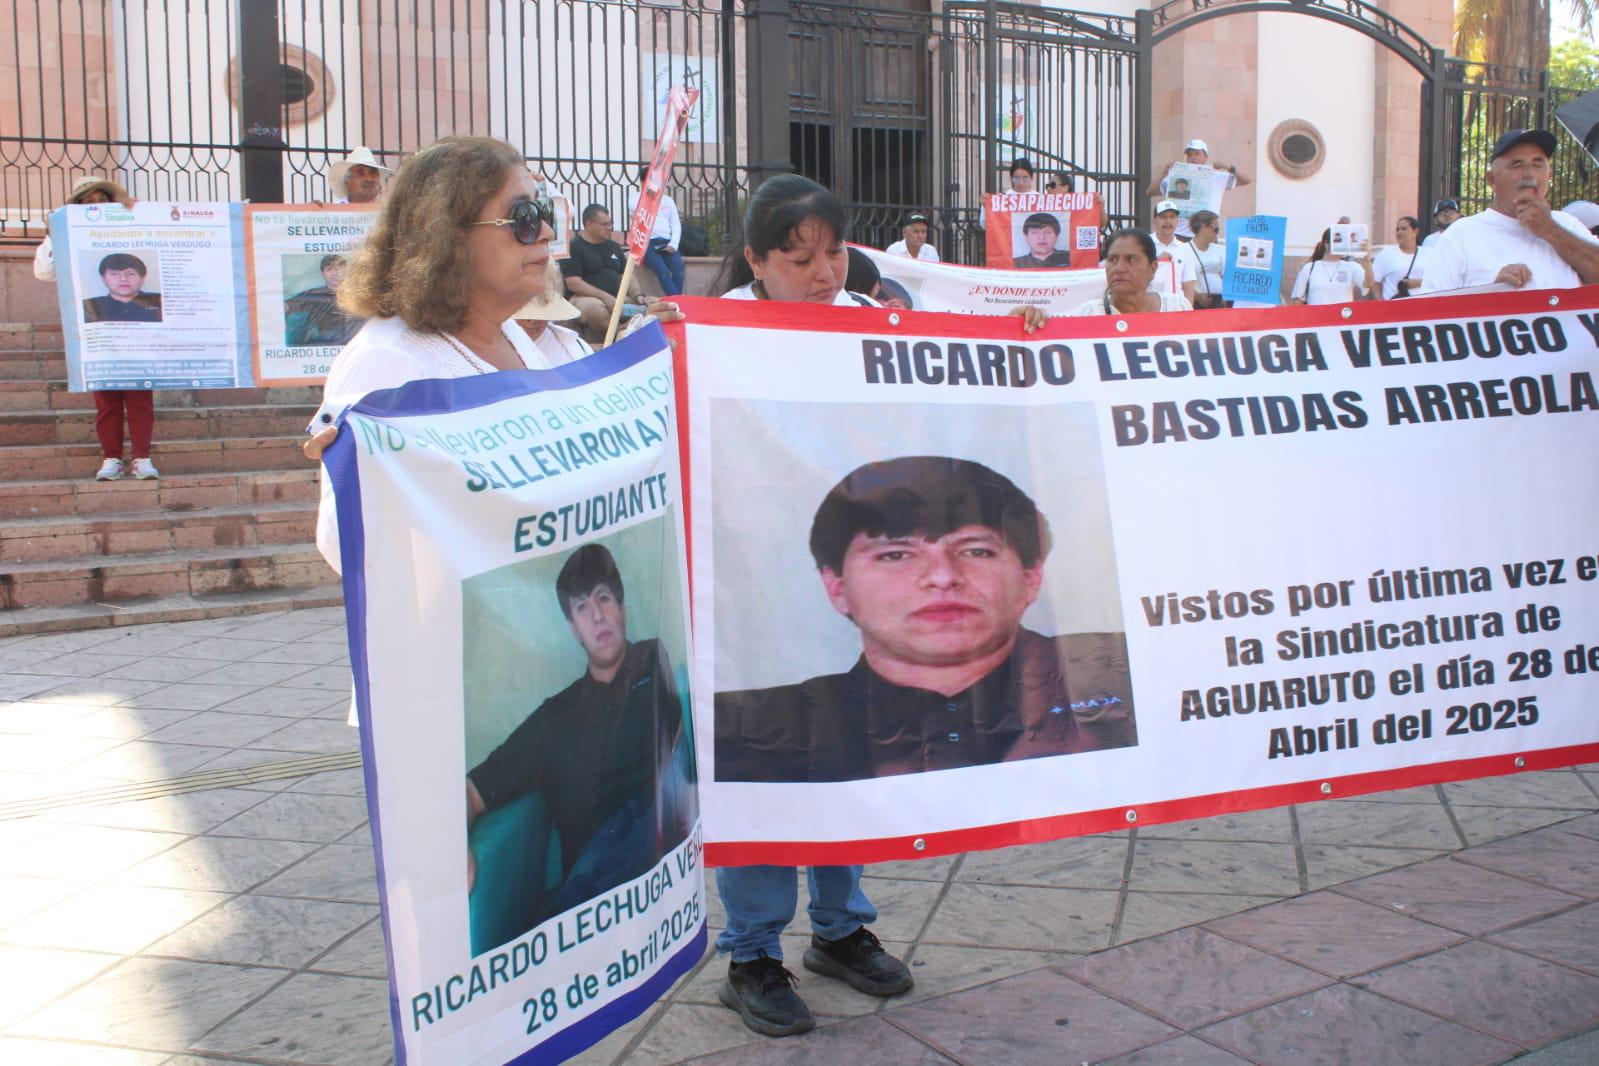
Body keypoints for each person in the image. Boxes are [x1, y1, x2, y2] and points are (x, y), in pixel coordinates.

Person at [716, 456, 1136, 783]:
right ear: (837, 587)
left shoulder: (1126, 674)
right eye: (895, 555)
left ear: (1031, 578)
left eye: (976, 551)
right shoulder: (755, 732)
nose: (942, 577)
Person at [466, 544, 690, 922]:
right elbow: (471, 793)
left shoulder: (654, 660)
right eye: (582, 607)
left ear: (622, 608)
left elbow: (680, 748)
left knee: (660, 801)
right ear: (574, 629)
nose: (597, 615)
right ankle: (563, 913)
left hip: (658, 842)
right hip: (600, 876)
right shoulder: (555, 718)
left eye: (604, 598)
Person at [34, 177, 159, 482]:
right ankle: (112, 458)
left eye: (101, 200)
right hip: (98, 331)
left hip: (138, 332)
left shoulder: (130, 225)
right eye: (87, 203)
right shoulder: (70, 234)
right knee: (107, 400)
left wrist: (138, 216)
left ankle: (142, 458)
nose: (96, 207)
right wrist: (55, 234)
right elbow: (44, 272)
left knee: (140, 396)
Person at [1425, 129, 1599, 292]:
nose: (1529, 175)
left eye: (1537, 164)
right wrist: (1491, 293)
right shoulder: (1460, 235)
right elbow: (1430, 314)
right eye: (1517, 165)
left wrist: (1550, 230)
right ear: (1492, 179)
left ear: (1550, 175)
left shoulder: (1568, 225)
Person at [562, 204, 650, 337]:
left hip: (618, 299)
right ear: (589, 224)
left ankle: (631, 328)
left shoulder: (613, 246)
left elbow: (626, 275)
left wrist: (638, 295)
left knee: (654, 304)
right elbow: (574, 283)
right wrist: (605, 297)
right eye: (605, 224)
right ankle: (622, 333)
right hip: (586, 299)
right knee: (595, 310)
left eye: (611, 223)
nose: (610, 228)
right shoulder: (574, 247)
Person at [1146, 138, 1251, 238]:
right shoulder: (1176, 175)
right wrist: (1164, 172)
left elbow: (1246, 180)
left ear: (1205, 157)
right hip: (1179, 233)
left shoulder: (1217, 176)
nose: (1193, 157)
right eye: (1189, 154)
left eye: (1197, 153)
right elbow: (1151, 191)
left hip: (1206, 234)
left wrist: (1227, 167)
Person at [1073, 228, 1192, 315]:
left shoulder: (1178, 307)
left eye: (1131, 260)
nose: (1119, 268)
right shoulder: (1088, 314)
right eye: (1113, 259)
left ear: (1152, 268)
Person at [515, 259, 596, 366]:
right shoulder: (487, 359)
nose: (532, 321)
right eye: (520, 308)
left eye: (542, 311)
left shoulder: (575, 349)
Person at [627, 165, 686, 295]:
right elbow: (636, 211)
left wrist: (673, 244)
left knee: (678, 268)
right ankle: (678, 301)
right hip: (646, 242)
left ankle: (677, 300)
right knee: (662, 270)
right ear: (643, 182)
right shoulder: (635, 198)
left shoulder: (668, 201)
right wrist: (649, 195)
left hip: (666, 242)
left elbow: (676, 224)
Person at [284, 254, 362, 346]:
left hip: (352, 347)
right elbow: (286, 305)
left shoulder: (359, 296)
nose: (335, 273)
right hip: (322, 348)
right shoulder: (313, 295)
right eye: (329, 269)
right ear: (322, 273)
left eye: (339, 269)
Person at [1290, 227, 1373, 304]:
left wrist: (1368, 261)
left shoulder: (1352, 267)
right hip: (1316, 318)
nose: (1342, 244)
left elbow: (1368, 284)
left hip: (1342, 318)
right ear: (1326, 243)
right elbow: (1297, 299)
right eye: (1338, 241)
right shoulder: (1309, 268)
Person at [82, 253, 162, 323]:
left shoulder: (161, 302)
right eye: (114, 274)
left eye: (131, 273)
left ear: (142, 279)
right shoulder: (89, 306)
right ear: (104, 279)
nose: (123, 279)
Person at [1371, 216, 1429, 299]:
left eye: (1403, 229)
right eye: (1397, 229)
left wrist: (1417, 282)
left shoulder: (1429, 253)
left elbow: (1437, 278)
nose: (1399, 232)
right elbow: (1375, 282)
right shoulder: (1386, 254)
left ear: (1415, 231)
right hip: (1394, 307)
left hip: (1423, 305)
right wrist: (1380, 303)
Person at [1149, 201, 1196, 299]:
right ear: (1154, 220)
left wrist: (1188, 311)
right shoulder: (1144, 244)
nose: (1168, 221)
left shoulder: (1185, 248)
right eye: (1163, 217)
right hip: (1151, 307)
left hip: (1176, 308)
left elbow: (1189, 285)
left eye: (1172, 217)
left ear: (1177, 220)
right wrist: (1157, 260)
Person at [1181, 210, 1226, 308]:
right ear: (1203, 227)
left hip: (1219, 302)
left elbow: (1226, 276)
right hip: (1197, 301)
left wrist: (1226, 295)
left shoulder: (1220, 250)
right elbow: (1180, 280)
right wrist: (1197, 296)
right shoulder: (1184, 249)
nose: (1217, 233)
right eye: (1215, 229)